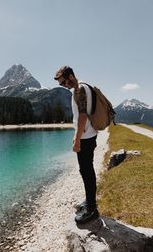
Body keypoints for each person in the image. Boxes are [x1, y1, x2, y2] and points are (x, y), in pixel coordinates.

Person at [54, 66, 99, 224]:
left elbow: (82, 116)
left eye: (64, 82)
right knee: (87, 170)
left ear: (71, 76)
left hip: (85, 138)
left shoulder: (79, 90)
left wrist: (77, 139)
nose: (64, 85)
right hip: (90, 135)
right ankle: (89, 201)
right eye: (61, 84)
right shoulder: (85, 86)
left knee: (86, 172)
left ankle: (92, 209)